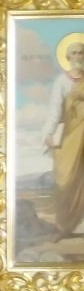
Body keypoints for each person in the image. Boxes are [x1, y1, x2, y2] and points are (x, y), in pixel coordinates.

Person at [43, 36, 84, 237]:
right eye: (74, 53)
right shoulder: (62, 81)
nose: (78, 56)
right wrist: (49, 132)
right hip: (70, 136)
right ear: (68, 57)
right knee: (64, 179)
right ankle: (64, 226)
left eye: (81, 52)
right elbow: (54, 109)